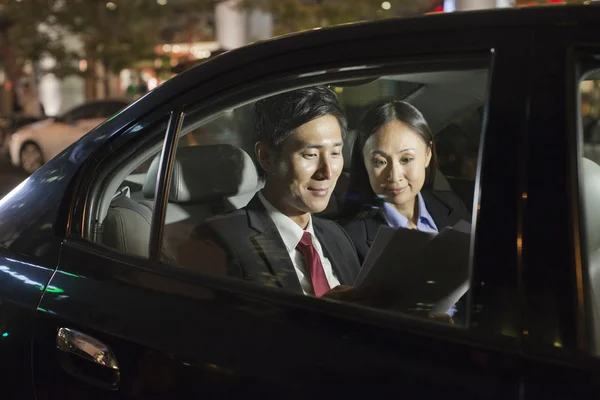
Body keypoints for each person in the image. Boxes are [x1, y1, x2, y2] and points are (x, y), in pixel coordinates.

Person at [188, 86, 361, 297]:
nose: (327, 172)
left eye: (335, 152)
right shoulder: (220, 239)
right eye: (310, 155)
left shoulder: (337, 236)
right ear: (266, 157)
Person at [338, 100, 471, 321]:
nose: (394, 176)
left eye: (406, 159)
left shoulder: (451, 205)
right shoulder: (349, 235)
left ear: (428, 154)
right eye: (380, 161)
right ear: (364, 162)